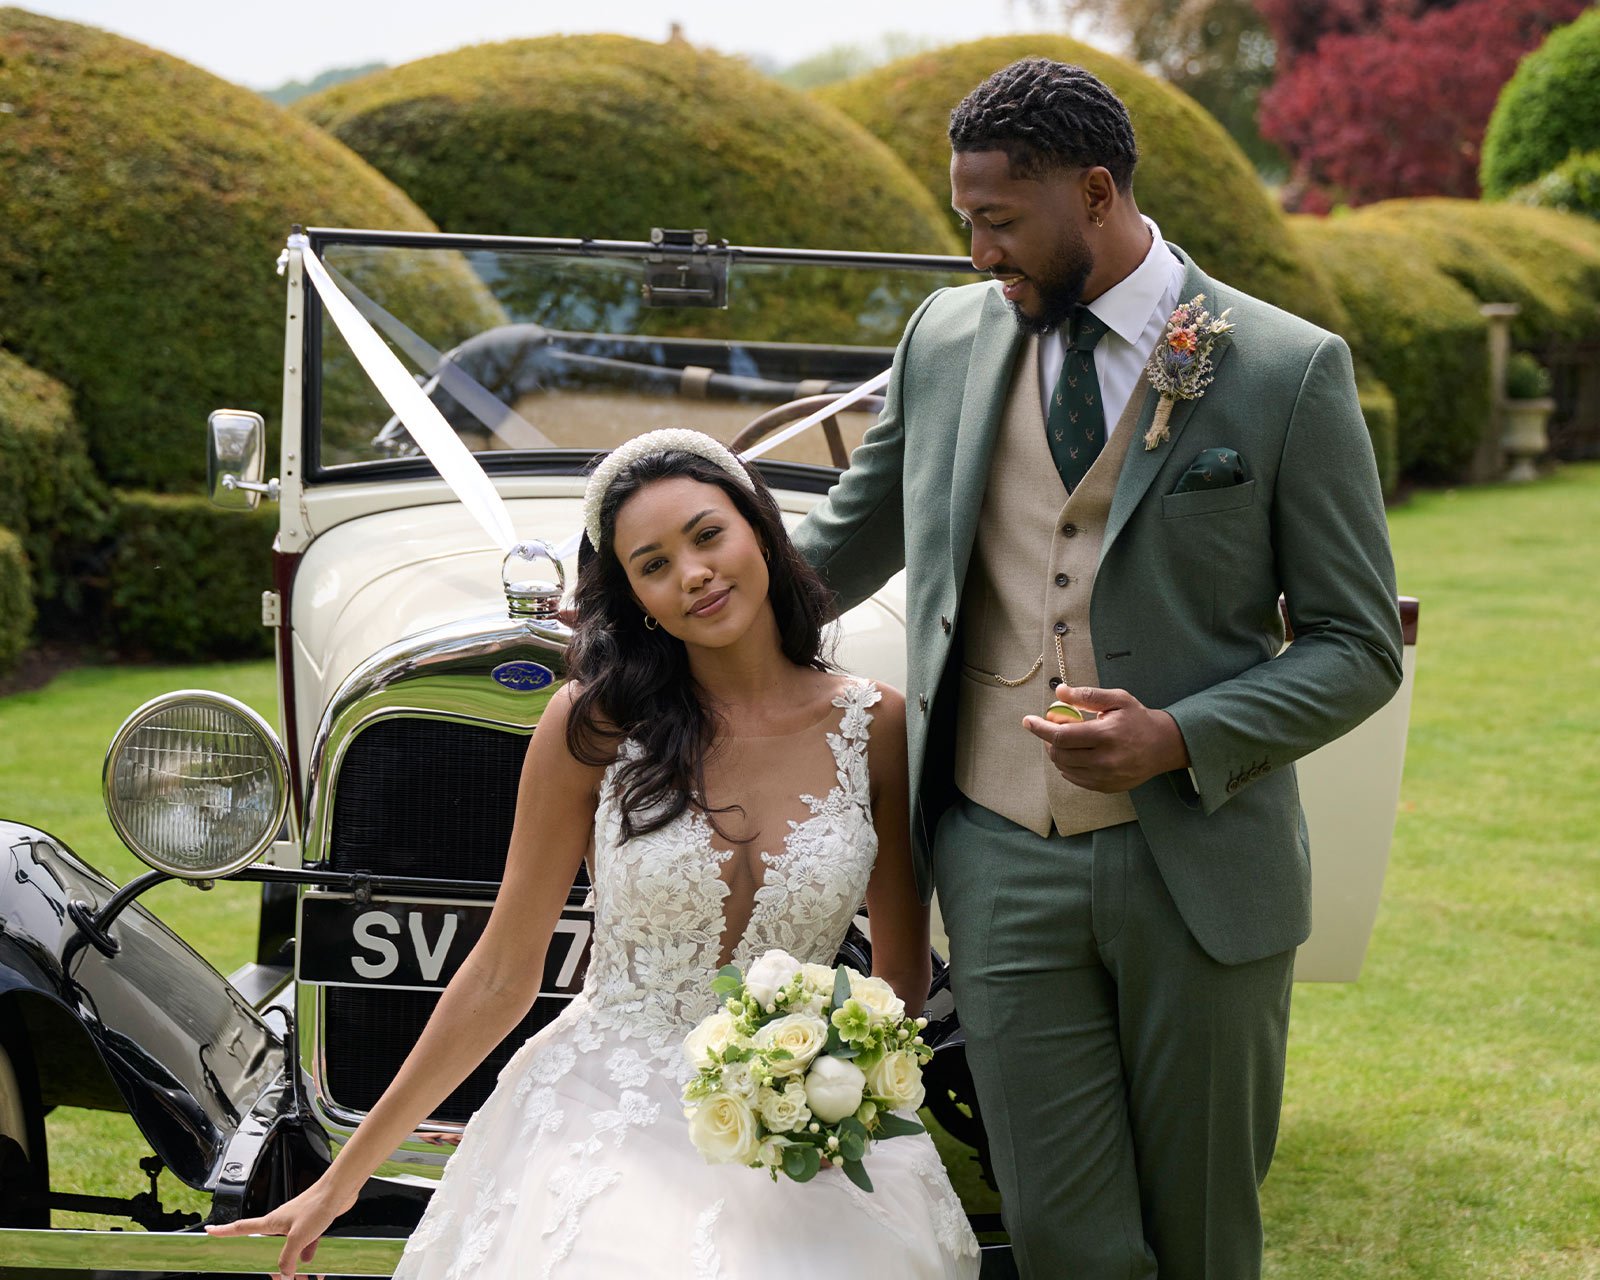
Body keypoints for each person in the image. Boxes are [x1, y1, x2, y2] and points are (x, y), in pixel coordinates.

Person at [792, 58, 1403, 1280]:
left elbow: (1356, 644)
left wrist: (1176, 733)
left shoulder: (1284, 369)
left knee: (1201, 1234)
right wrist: (651, 634)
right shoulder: (945, 338)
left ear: (1095, 191)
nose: (975, 254)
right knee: (1060, 1229)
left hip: (1200, 868)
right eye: (965, 220)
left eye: (999, 222)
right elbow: (832, 553)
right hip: (998, 856)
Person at [207, 429, 980, 1279]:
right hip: (605, 1101)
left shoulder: (875, 725)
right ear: (638, 599)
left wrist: (844, 1101)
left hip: (808, 1120)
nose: (692, 573)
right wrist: (342, 1180)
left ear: (760, 532)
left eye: (707, 535)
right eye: (652, 564)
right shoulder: (591, 726)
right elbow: (503, 973)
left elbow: (898, 978)